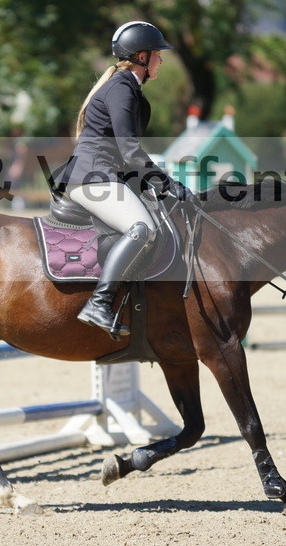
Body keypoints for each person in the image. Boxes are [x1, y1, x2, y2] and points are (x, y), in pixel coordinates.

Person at [56, 21, 190, 336]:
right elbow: (129, 149)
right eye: (158, 55)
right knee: (142, 228)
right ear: (141, 56)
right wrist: (165, 182)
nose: (161, 60)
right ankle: (99, 304)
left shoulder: (125, 86)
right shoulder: (121, 87)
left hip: (102, 174)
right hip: (91, 176)